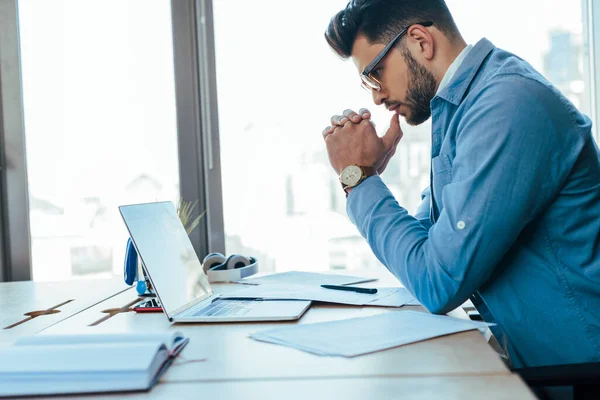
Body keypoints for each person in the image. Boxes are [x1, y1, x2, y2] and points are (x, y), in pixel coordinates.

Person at [322, 0, 600, 372]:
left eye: (376, 72)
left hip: (578, 372)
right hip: (534, 365)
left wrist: (359, 179)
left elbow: (438, 282)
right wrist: (365, 174)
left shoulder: (505, 105)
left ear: (420, 41)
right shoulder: (464, 108)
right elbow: (427, 249)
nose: (375, 95)